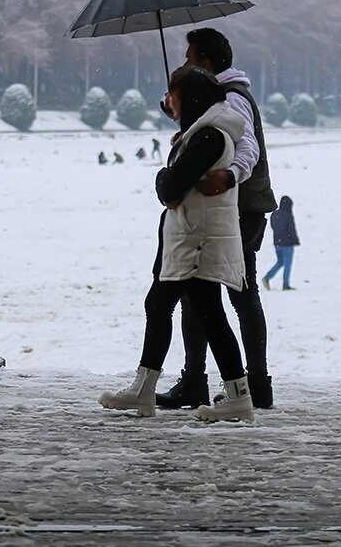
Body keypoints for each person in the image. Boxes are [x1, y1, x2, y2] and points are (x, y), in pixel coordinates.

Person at [98, 65, 254, 423]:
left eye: (173, 93)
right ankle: (235, 395)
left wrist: (162, 176)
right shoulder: (203, 134)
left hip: (195, 241)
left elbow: (170, 189)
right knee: (204, 312)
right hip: (194, 238)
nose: (167, 100)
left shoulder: (208, 137)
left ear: (192, 98)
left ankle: (146, 390)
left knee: (163, 305)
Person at [158, 28, 277, 411]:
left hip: (236, 210)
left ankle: (216, 381)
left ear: (205, 61)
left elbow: (247, 146)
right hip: (240, 208)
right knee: (224, 294)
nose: (184, 63)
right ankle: (249, 383)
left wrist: (229, 176)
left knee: (215, 294)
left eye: (189, 57)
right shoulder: (220, 96)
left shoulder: (229, 98)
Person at [264, 195, 299, 290]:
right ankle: (285, 284)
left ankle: (267, 278)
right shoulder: (288, 215)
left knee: (280, 262)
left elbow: (273, 227)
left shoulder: (274, 214)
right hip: (287, 244)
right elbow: (291, 229)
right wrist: (295, 240)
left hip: (277, 243)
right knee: (287, 263)